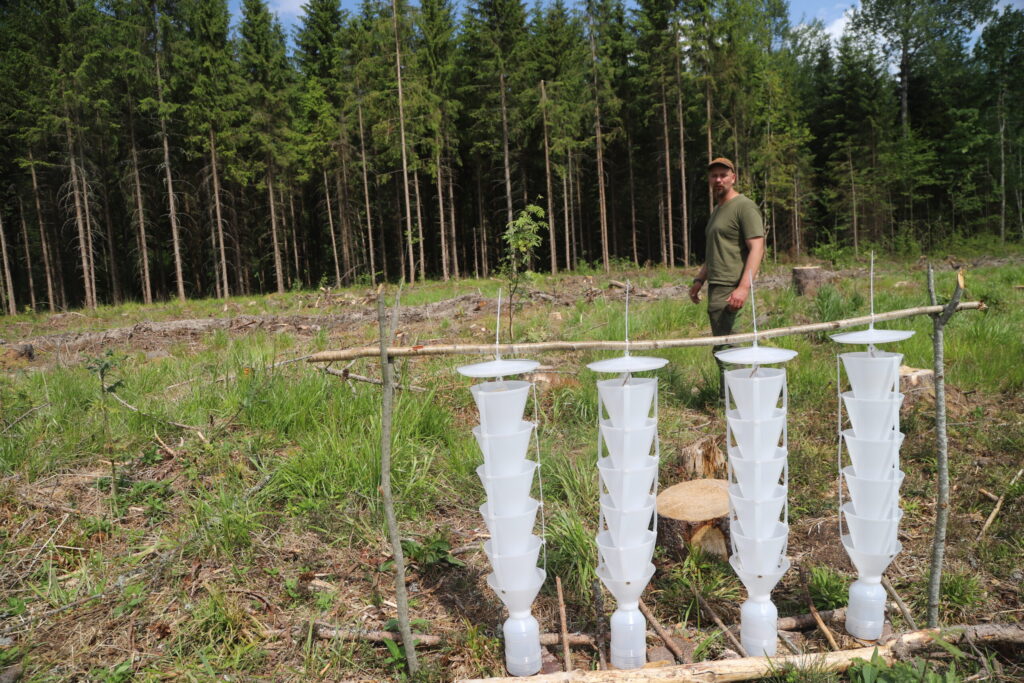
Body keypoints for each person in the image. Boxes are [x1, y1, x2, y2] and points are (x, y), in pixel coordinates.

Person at [688, 157, 765, 395]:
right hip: (716, 287)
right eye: (714, 176)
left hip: (731, 288)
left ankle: (743, 399)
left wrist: (743, 287)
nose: (718, 179)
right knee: (723, 346)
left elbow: (757, 248)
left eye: (723, 175)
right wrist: (699, 280)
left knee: (731, 347)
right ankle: (732, 396)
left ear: (734, 177)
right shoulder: (718, 211)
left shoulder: (744, 206)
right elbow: (715, 253)